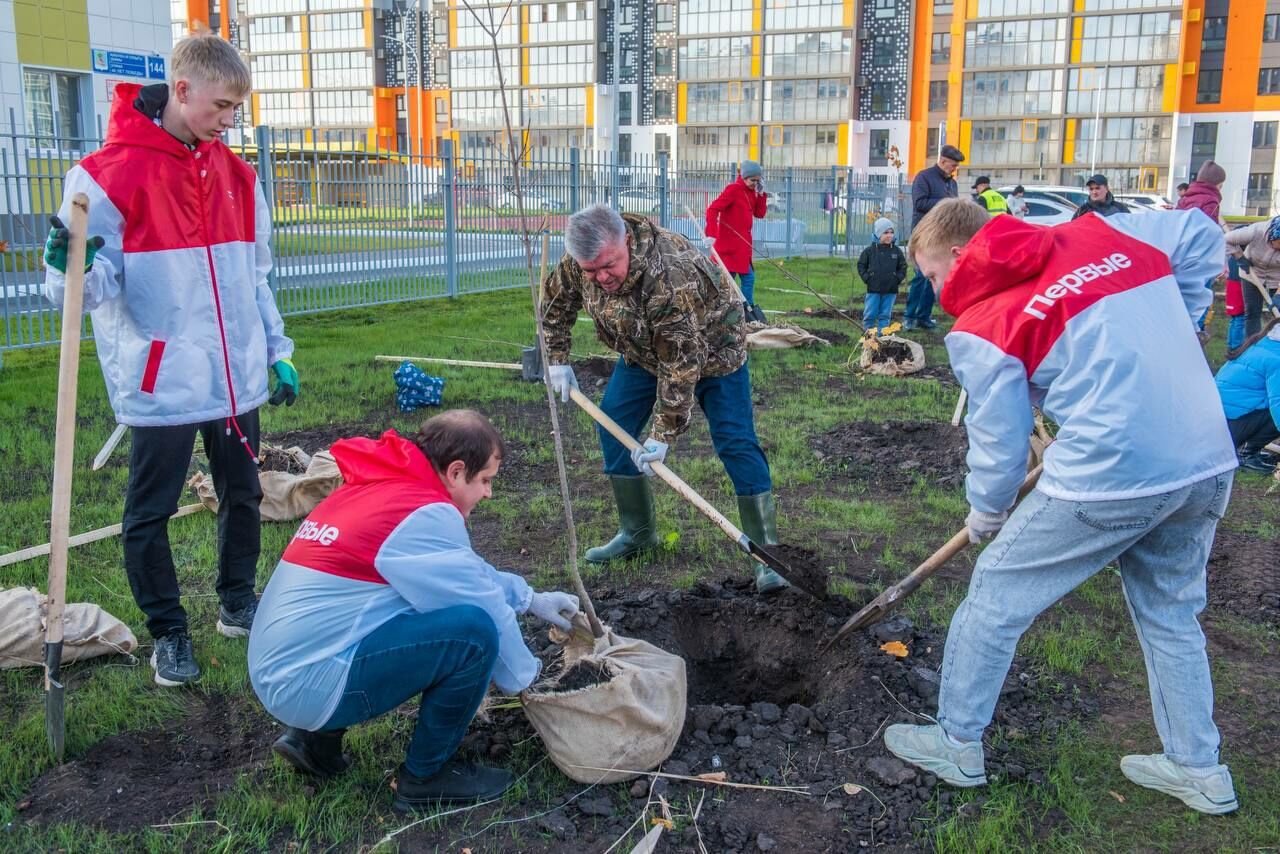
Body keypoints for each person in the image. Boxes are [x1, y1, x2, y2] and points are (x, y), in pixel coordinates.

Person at [885, 199, 1239, 816]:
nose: (933, 287)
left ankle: (956, 742)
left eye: (934, 273)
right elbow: (1201, 236)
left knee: (995, 594)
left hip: (1113, 473)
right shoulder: (1102, 234)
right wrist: (1177, 321)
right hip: (1204, 458)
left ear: (963, 253)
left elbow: (997, 442)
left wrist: (986, 516)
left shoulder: (982, 325)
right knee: (1170, 615)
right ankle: (1199, 769)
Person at [42, 34, 298, 687]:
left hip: (235, 377)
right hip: (164, 381)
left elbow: (256, 275)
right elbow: (85, 290)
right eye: (221, 105)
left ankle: (238, 602)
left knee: (243, 493)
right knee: (149, 510)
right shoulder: (105, 175)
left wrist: (276, 350)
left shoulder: (237, 175)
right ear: (181, 90)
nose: (230, 120)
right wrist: (65, 266)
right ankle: (169, 632)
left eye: (239, 107)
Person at [248, 410, 581, 810]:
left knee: (405, 608)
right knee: (472, 634)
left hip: (283, 665)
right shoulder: (423, 514)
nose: (489, 493)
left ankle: (313, 739)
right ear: (457, 471)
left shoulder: (383, 489)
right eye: (486, 480)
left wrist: (530, 598)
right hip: (309, 680)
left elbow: (463, 571)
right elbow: (482, 606)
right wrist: (531, 683)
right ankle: (426, 776)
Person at [540, 204, 787, 593]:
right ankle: (637, 534)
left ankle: (768, 557)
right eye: (591, 270)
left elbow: (683, 359)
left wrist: (663, 432)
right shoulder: (580, 265)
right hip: (644, 354)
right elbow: (555, 305)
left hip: (714, 355)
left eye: (609, 265)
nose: (601, 277)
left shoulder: (668, 273)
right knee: (614, 427)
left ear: (624, 241)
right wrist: (556, 359)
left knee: (736, 443)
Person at [903, 144, 964, 330]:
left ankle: (924, 317)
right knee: (921, 275)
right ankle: (910, 317)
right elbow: (920, 203)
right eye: (952, 165)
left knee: (937, 276)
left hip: (943, 235)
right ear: (943, 161)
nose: (954, 169)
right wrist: (948, 204)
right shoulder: (924, 177)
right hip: (924, 234)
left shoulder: (952, 183)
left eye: (956, 166)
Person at [706, 159, 768, 323]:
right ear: (744, 176)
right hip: (729, 248)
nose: (755, 183)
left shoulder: (752, 192)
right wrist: (711, 233)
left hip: (743, 248)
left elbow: (760, 213)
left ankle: (746, 310)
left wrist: (761, 195)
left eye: (758, 180)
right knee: (729, 283)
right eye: (753, 180)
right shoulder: (733, 189)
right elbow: (713, 209)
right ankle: (727, 313)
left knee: (749, 279)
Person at [1215, 321, 1280, 472]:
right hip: (1227, 428)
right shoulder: (1277, 360)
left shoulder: (1263, 344)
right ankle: (1245, 454)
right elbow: (1278, 402)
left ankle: (1249, 449)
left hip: (1217, 424)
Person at [1176, 161, 1228, 334]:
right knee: (1202, 296)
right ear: (1216, 184)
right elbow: (1210, 233)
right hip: (1200, 258)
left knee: (1183, 298)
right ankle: (1197, 333)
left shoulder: (1184, 199)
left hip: (1180, 256)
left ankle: (1183, 330)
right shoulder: (1211, 201)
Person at [1225, 216, 1280, 338]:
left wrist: (1278, 294)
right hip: (1251, 273)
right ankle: (1252, 346)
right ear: (1273, 236)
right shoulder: (1256, 231)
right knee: (1252, 312)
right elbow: (1225, 240)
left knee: (1278, 312)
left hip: (1277, 277)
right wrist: (1239, 257)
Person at [857, 218, 907, 333]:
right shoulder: (869, 251)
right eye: (886, 232)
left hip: (890, 290)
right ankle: (867, 336)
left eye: (891, 232)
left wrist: (897, 279)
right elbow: (861, 265)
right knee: (870, 313)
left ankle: (882, 337)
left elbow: (903, 267)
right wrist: (867, 278)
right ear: (878, 234)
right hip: (874, 289)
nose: (889, 235)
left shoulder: (896, 251)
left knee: (885, 315)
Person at [1224, 256, 1247, 353]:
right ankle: (1237, 347)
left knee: (1235, 317)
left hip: (1232, 281)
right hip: (1238, 282)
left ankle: (1231, 345)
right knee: (1240, 317)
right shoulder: (1240, 256)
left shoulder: (1232, 258)